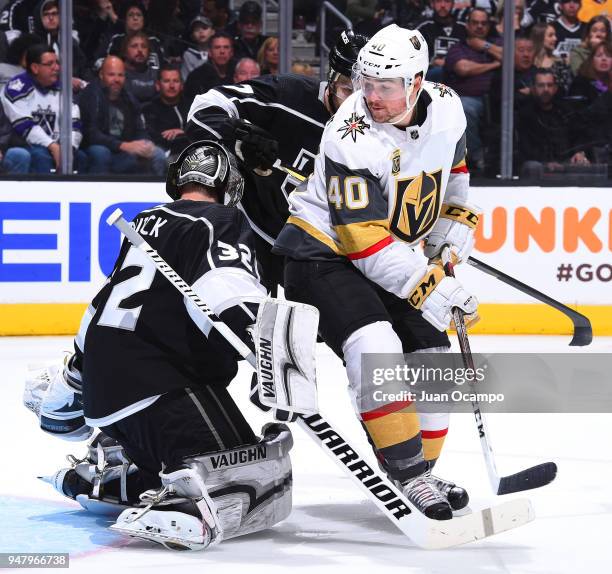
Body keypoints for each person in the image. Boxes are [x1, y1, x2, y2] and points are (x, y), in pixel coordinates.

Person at [25, 140, 294, 551]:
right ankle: (184, 499)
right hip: (160, 385)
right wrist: (264, 346)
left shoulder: (145, 222)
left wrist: (76, 375)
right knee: (261, 478)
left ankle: (118, 471)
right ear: (230, 185)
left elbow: (101, 306)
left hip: (107, 391)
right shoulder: (218, 220)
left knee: (243, 462)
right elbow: (226, 286)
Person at [274, 24, 478, 519]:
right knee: (376, 346)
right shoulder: (349, 133)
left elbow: (455, 171)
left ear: (418, 82)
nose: (371, 95)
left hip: (393, 253)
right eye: (365, 82)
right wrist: (429, 285)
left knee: (436, 359)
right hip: (320, 254)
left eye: (385, 86)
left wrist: (453, 221)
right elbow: (360, 240)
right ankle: (411, 476)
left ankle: (418, 471)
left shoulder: (447, 107)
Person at [186, 29, 369, 294]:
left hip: (318, 257)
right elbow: (204, 106)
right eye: (346, 90)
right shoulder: (288, 94)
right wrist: (238, 137)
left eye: (363, 94)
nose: (354, 105)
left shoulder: (378, 130)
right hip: (249, 239)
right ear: (330, 79)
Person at [0, 43, 85, 173]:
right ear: (35, 67)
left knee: (81, 157)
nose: (56, 67)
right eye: (50, 64)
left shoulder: (63, 88)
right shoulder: (17, 88)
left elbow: (75, 124)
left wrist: (69, 148)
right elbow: (24, 127)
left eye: (57, 62)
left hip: (59, 145)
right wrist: (52, 146)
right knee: (41, 156)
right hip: (26, 144)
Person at [79, 55, 166, 175]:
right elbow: (90, 133)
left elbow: (140, 128)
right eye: (112, 75)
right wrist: (122, 145)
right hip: (97, 146)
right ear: (101, 75)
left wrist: (145, 143)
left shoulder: (129, 97)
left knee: (158, 154)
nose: (116, 79)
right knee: (101, 153)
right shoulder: (91, 95)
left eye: (120, 75)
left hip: (124, 147)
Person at [444, 7, 503, 169]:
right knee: (466, 107)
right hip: (467, 98)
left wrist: (484, 46)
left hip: (497, 99)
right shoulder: (458, 48)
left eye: (484, 23)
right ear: (467, 25)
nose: (479, 27)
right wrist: (494, 64)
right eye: (475, 23)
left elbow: (511, 57)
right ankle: (476, 156)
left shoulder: (496, 43)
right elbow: (464, 69)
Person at [517, 68, 588, 176]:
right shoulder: (525, 114)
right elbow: (525, 148)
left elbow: (578, 135)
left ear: (555, 88)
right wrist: (547, 163)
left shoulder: (565, 111)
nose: (546, 89)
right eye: (541, 85)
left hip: (565, 162)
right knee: (533, 167)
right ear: (533, 88)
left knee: (583, 164)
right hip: (537, 163)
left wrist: (579, 152)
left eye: (549, 85)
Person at [142, 63, 189, 158]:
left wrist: (184, 132)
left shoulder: (193, 107)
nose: (171, 86)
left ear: (181, 85)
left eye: (176, 81)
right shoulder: (148, 109)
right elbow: (153, 138)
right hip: (164, 155)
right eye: (167, 81)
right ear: (158, 85)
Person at [417, 0, 467, 82]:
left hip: (459, 76)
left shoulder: (464, 28)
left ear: (453, 4)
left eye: (447, 1)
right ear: (432, 4)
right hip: (431, 77)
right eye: (438, 1)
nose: (443, 5)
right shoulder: (424, 27)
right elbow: (409, 51)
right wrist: (431, 62)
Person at [183, 31, 236, 106]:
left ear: (232, 52)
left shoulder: (239, 72)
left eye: (226, 47)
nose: (222, 51)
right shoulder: (196, 77)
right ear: (210, 52)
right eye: (217, 47)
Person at [531, 22, 573, 95]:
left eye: (555, 35)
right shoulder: (529, 62)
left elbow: (566, 89)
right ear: (539, 38)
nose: (555, 38)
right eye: (550, 36)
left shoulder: (560, 63)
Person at [122, 31, 158, 105]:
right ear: (125, 52)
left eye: (144, 46)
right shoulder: (119, 74)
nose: (140, 50)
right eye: (134, 46)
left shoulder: (155, 74)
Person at [181, 15, 215, 81]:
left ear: (213, 31)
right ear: (192, 36)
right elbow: (188, 79)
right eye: (196, 30)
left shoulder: (219, 51)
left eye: (205, 28)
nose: (201, 32)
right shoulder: (188, 55)